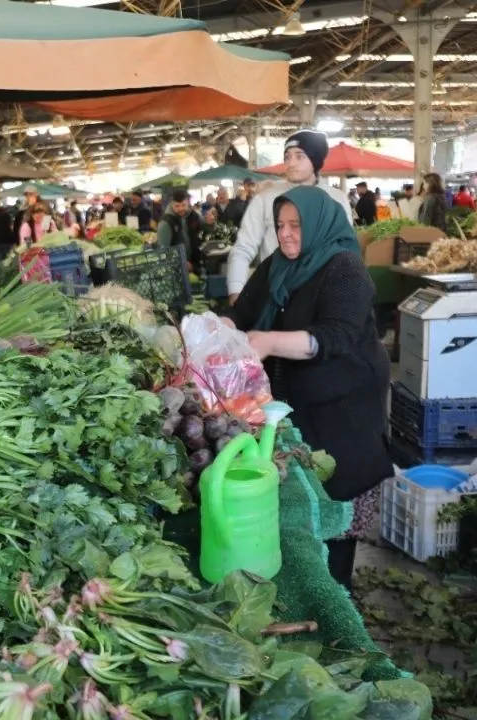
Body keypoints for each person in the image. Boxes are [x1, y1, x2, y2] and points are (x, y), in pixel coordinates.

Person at [221, 185, 390, 591]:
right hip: (294, 405)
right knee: (301, 498)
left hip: (343, 409)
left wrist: (267, 341)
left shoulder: (344, 267)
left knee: (336, 502)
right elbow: (240, 313)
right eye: (279, 225)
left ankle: (338, 595)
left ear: (317, 225)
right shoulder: (276, 267)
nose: (285, 234)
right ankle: (309, 586)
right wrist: (216, 331)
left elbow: (335, 336)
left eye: (295, 225)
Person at [226, 130, 354, 304]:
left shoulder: (337, 200)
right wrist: (236, 291)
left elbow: (345, 250)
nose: (291, 163)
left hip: (321, 296)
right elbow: (243, 249)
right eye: (287, 157)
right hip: (274, 295)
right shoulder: (265, 199)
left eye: (299, 156)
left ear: (315, 160)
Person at [156, 189, 202, 277]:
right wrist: (181, 262)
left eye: (183, 205)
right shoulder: (166, 222)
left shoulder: (193, 215)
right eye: (177, 206)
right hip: (176, 271)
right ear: (171, 205)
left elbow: (202, 228)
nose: (181, 208)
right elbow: (163, 250)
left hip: (194, 266)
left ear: (188, 203)